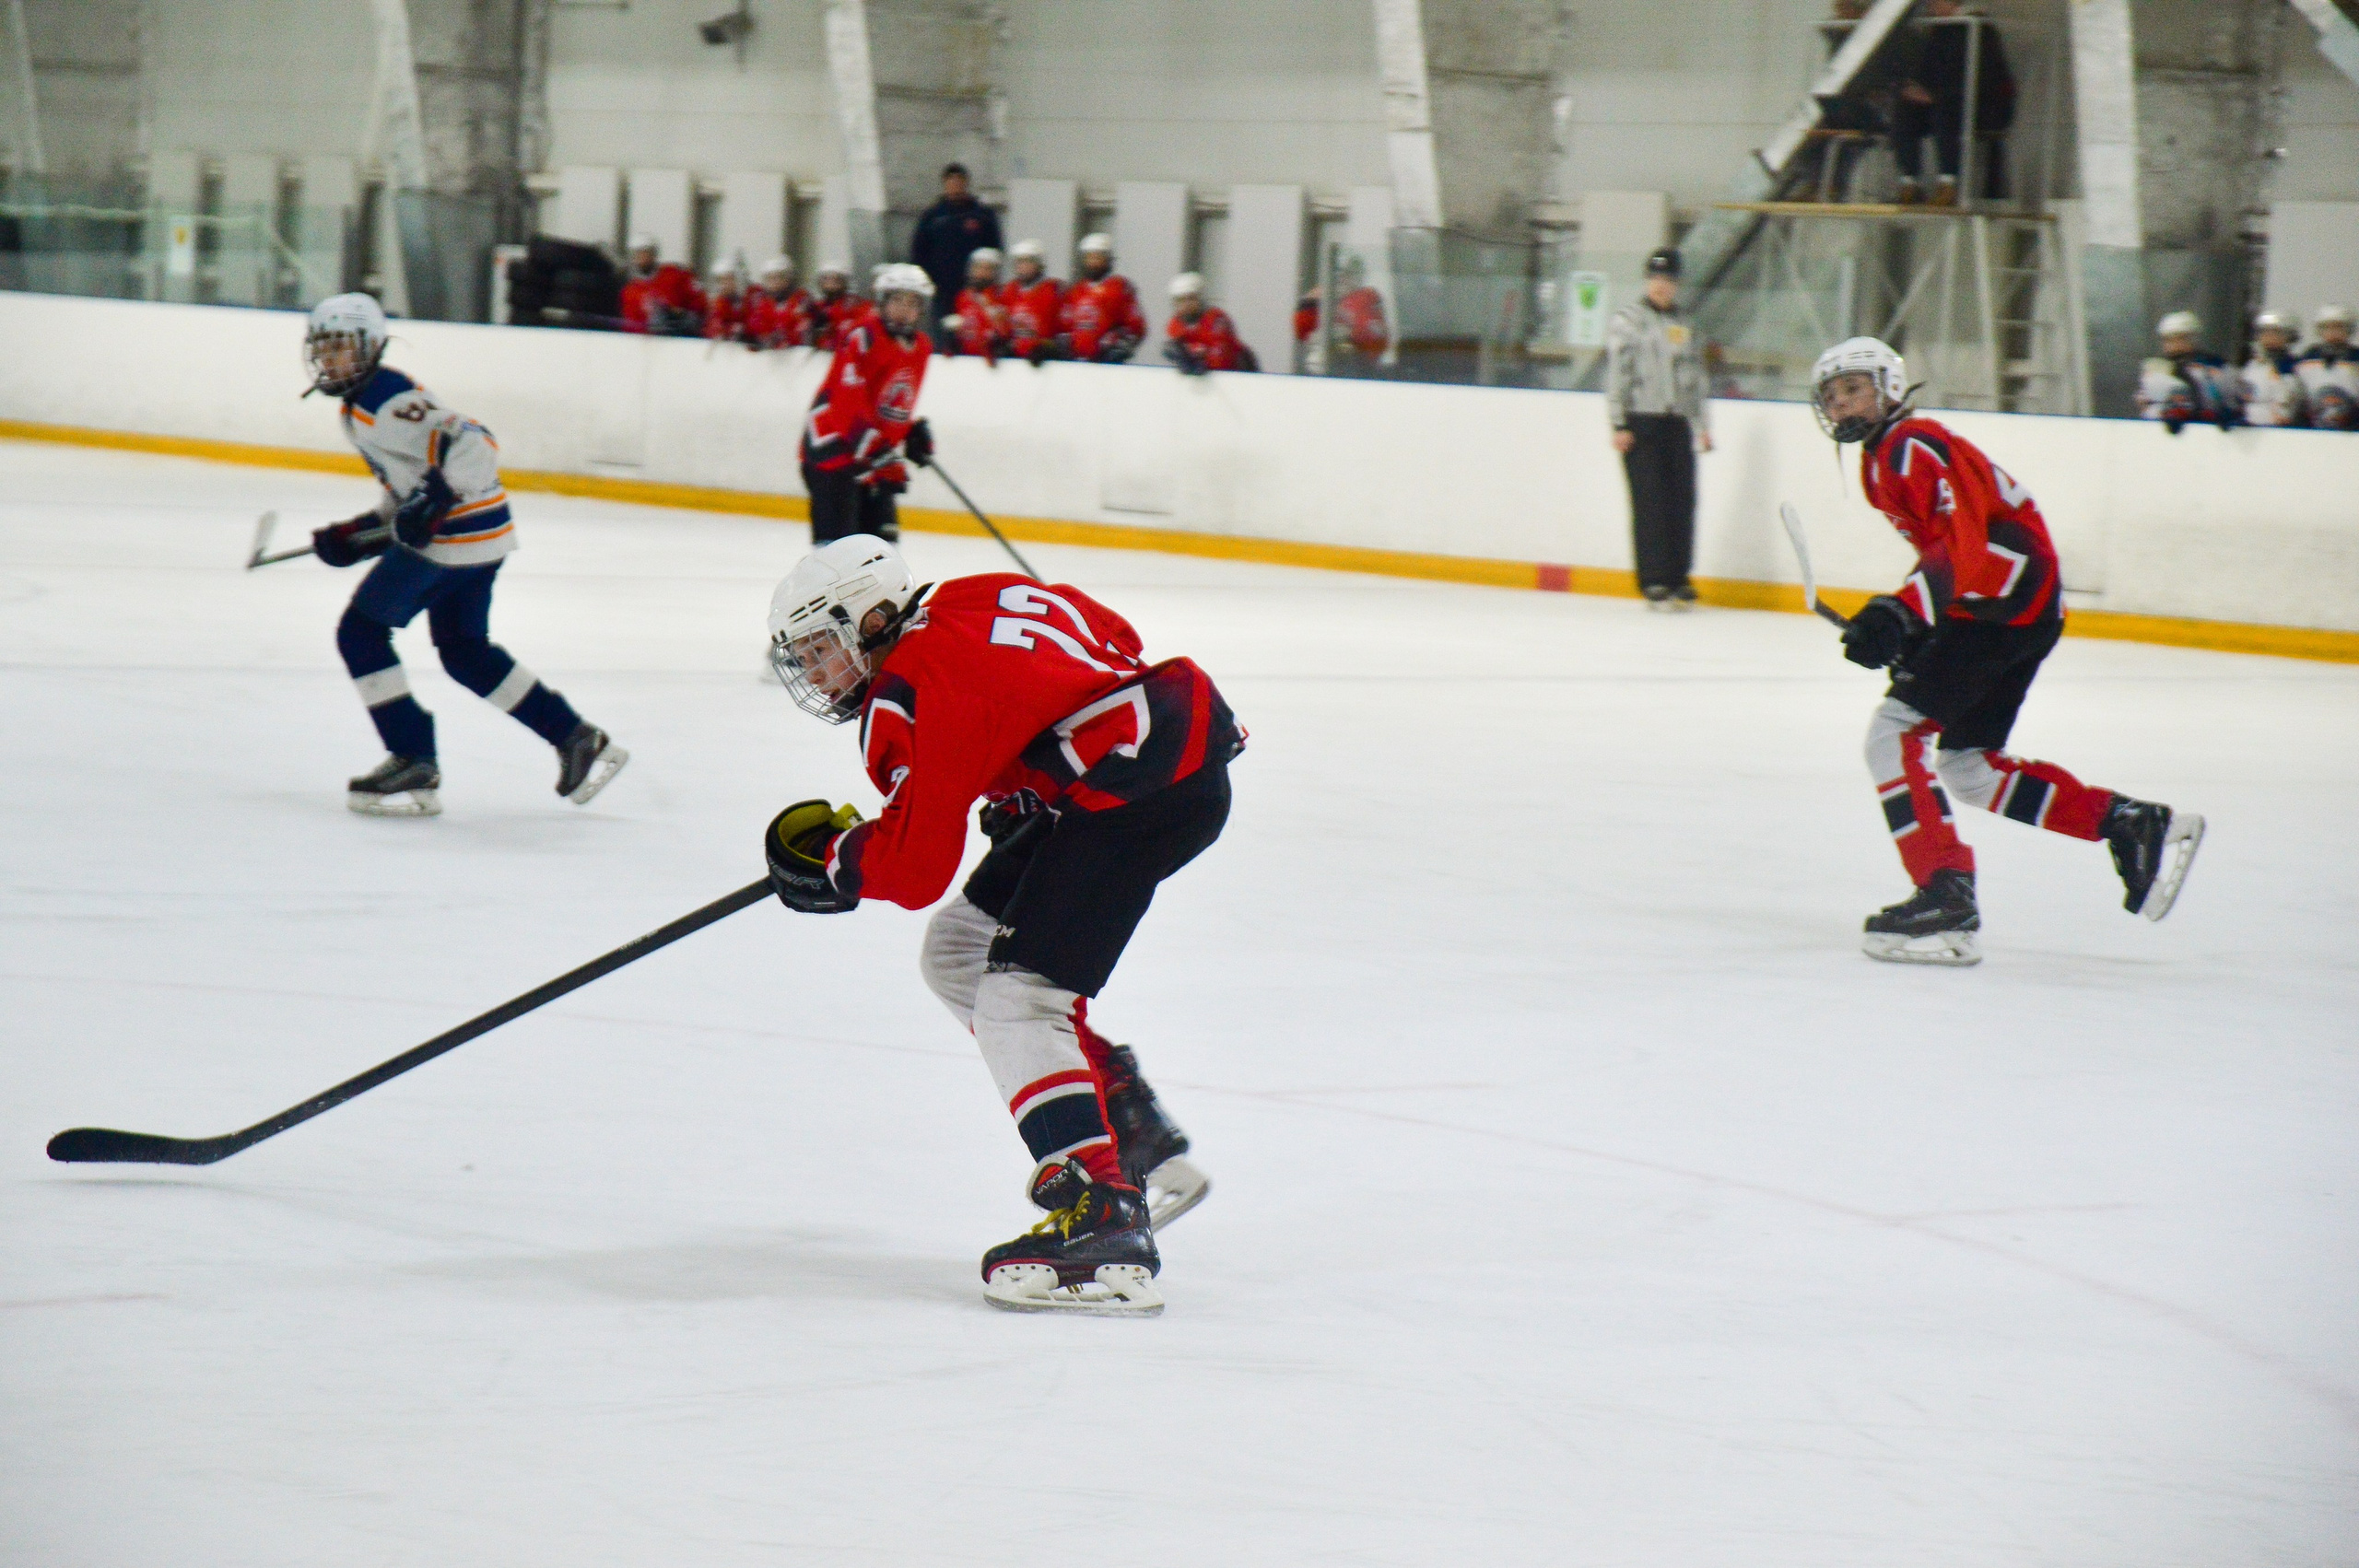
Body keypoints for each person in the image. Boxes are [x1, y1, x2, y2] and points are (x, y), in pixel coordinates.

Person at [759, 533, 1240, 1313]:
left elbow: (914, 868)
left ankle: (1102, 1217)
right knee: (959, 954)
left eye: (823, 648)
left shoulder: (902, 692)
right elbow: (1111, 636)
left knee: (1020, 998)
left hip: (1131, 793)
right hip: (1151, 759)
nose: (816, 672)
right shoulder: (971, 593)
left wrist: (838, 862)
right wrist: (1029, 765)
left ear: (873, 618)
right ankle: (1123, 1121)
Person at [1808, 336, 2201, 966]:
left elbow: (1963, 548)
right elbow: (1957, 548)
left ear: (1887, 386)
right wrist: (1919, 628)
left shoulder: (1912, 446)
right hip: (2019, 609)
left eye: (1853, 389)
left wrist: (1902, 612)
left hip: (1999, 611)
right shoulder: (1886, 458)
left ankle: (1944, 896)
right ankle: (2128, 821)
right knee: (1969, 766)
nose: (1843, 406)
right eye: (1832, 398)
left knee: (1892, 737)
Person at [299, 294, 628, 816]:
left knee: (360, 633)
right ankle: (575, 737)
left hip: (453, 542)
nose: (329, 359)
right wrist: (360, 531)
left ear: (369, 347)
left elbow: (475, 443)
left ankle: (411, 755)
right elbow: (414, 487)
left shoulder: (381, 403)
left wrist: (435, 501)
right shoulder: (365, 402)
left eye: (340, 346)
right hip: (484, 537)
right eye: (323, 348)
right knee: (464, 650)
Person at [1604, 247, 1712, 609]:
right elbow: (1618, 373)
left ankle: (1678, 576)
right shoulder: (1629, 320)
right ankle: (1653, 579)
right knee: (1650, 502)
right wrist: (1619, 421)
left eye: (1668, 280)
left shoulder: (1686, 323)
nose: (1661, 286)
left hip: (1677, 422)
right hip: (1642, 421)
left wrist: (1702, 424)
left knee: (1681, 501)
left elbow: (1696, 376)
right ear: (1647, 280)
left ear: (1677, 284)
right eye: (1655, 279)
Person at [798, 263, 933, 544]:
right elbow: (847, 403)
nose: (904, 309)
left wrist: (907, 431)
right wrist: (878, 450)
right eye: (897, 300)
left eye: (912, 302)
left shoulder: (921, 347)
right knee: (840, 552)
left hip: (872, 457)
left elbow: (887, 403)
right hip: (831, 452)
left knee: (883, 548)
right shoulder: (863, 337)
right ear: (882, 302)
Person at [1891, 0, 2015, 206]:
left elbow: (1983, 79)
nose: (1931, 6)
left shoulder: (1979, 29)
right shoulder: (1939, 31)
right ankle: (1909, 181)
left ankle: (1949, 182)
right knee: (1905, 109)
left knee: (1945, 110)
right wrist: (1913, 89)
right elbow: (1926, 70)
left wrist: (1938, 96)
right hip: (1946, 99)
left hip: (1984, 105)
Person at [909, 163, 1003, 331]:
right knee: (945, 333)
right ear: (944, 184)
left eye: (959, 181)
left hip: (976, 291)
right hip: (942, 290)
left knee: (977, 330)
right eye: (950, 182)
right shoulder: (932, 216)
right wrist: (926, 282)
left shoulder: (981, 215)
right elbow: (919, 252)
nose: (955, 186)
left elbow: (994, 249)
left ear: (966, 183)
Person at [1044, 233, 1146, 364]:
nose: (1092, 262)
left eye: (1097, 257)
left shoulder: (1120, 288)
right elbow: (1065, 327)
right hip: (1076, 363)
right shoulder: (1076, 291)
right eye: (1089, 257)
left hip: (1107, 364)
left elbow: (1136, 327)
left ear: (1108, 259)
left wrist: (1119, 346)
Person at [2136, 311, 2241, 433]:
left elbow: (2233, 399)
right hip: (2161, 434)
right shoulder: (2156, 368)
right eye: (2168, 340)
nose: (2173, 345)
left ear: (2192, 338)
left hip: (2206, 432)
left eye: (2179, 338)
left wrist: (2226, 413)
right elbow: (2144, 402)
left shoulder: (2216, 365)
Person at [1162, 273, 1255, 374]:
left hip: (1237, 371)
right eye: (1181, 300)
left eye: (1191, 298)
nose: (1186, 304)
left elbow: (1221, 358)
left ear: (1200, 298)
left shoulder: (1216, 320)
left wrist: (1200, 360)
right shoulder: (1175, 324)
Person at [619, 234, 703, 335]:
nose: (641, 258)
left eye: (645, 253)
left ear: (654, 254)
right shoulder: (630, 291)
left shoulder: (675, 274)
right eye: (637, 254)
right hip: (651, 345)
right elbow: (631, 326)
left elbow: (700, 303)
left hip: (681, 339)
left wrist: (682, 315)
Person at [2238, 310, 2306, 428]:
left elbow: (2287, 401)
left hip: (2276, 429)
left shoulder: (2292, 367)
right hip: (2248, 429)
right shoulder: (2252, 365)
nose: (2269, 338)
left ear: (2288, 336)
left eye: (2276, 333)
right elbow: (2243, 395)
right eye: (2264, 333)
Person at [941, 247, 1011, 361]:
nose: (981, 273)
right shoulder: (962, 296)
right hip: (966, 360)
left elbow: (1005, 333)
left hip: (990, 361)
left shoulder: (1002, 297)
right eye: (977, 267)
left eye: (987, 269)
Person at [2295, 305, 2358, 431]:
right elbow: (2298, 395)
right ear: (2319, 330)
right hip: (2312, 428)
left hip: (2352, 428)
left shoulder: (2355, 357)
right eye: (2328, 327)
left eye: (2339, 327)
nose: (2333, 332)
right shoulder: (2308, 358)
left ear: (2349, 330)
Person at [997, 240, 1062, 362]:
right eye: (1020, 262)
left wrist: (1048, 348)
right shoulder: (1008, 291)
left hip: (1043, 359)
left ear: (1039, 264)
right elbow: (1003, 326)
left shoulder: (1053, 291)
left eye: (1029, 261)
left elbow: (1061, 330)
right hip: (1015, 358)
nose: (1024, 266)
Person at [745, 256, 813, 351]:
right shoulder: (761, 303)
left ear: (788, 279)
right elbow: (755, 327)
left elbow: (803, 330)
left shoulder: (801, 300)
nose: (774, 282)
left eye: (779, 277)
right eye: (770, 278)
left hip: (794, 355)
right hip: (770, 356)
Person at [805, 262, 869, 350]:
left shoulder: (856, 304)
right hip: (821, 355)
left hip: (845, 353)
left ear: (845, 282)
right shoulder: (816, 306)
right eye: (826, 279)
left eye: (836, 280)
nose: (830, 284)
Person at [702, 257, 749, 344]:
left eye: (728, 279)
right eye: (720, 280)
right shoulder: (715, 304)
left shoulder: (746, 302)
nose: (724, 284)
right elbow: (713, 328)